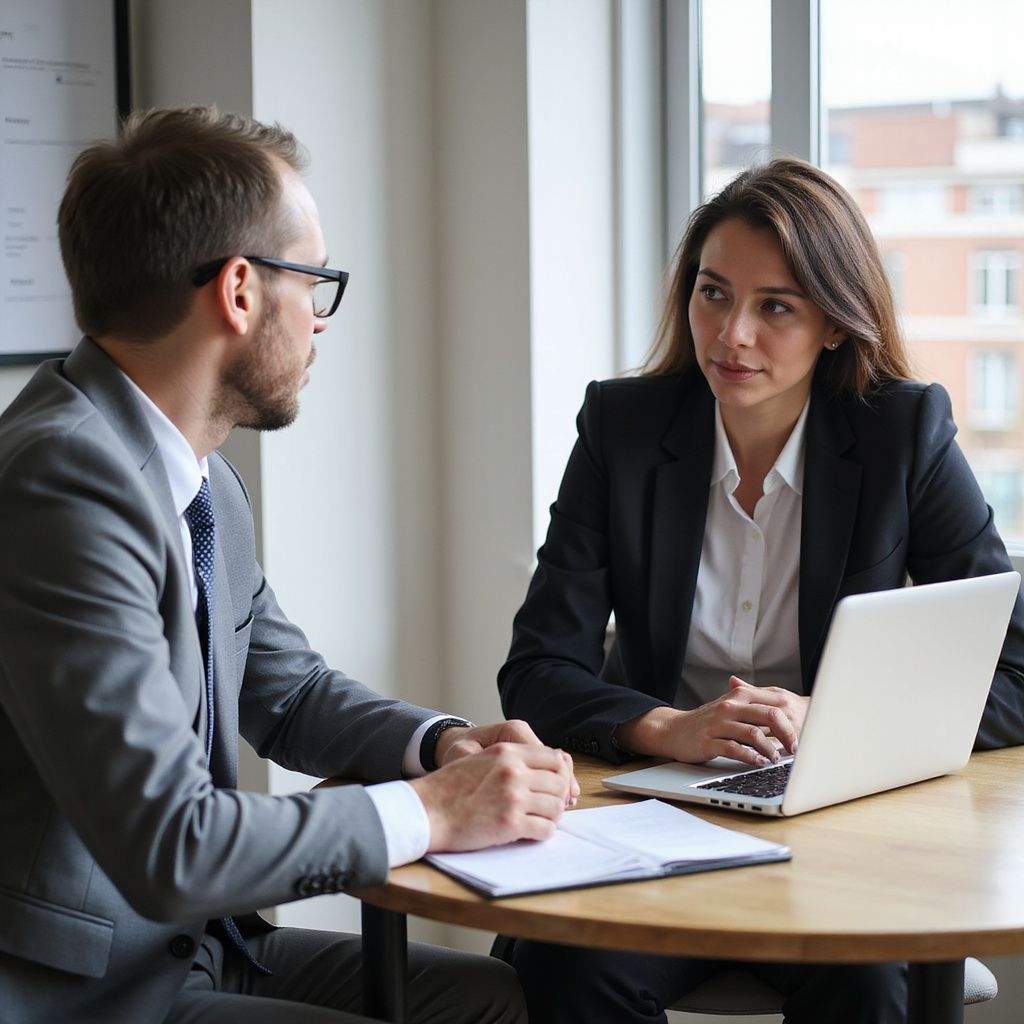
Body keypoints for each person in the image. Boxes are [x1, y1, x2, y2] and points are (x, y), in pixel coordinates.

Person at [0, 106, 578, 1024]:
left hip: (199, 946)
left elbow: (291, 692)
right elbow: (173, 842)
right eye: (314, 281)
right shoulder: (62, 483)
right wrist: (432, 811)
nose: (321, 320)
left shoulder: (199, 479)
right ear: (238, 291)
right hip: (87, 989)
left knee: (494, 1001)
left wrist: (439, 745)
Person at [495, 157, 1024, 1024]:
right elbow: (538, 669)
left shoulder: (903, 433)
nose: (732, 333)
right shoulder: (622, 430)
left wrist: (837, 720)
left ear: (833, 323)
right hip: (654, 821)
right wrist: (668, 727)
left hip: (840, 834)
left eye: (775, 306)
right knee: (567, 969)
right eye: (713, 293)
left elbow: (1019, 670)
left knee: (864, 985)